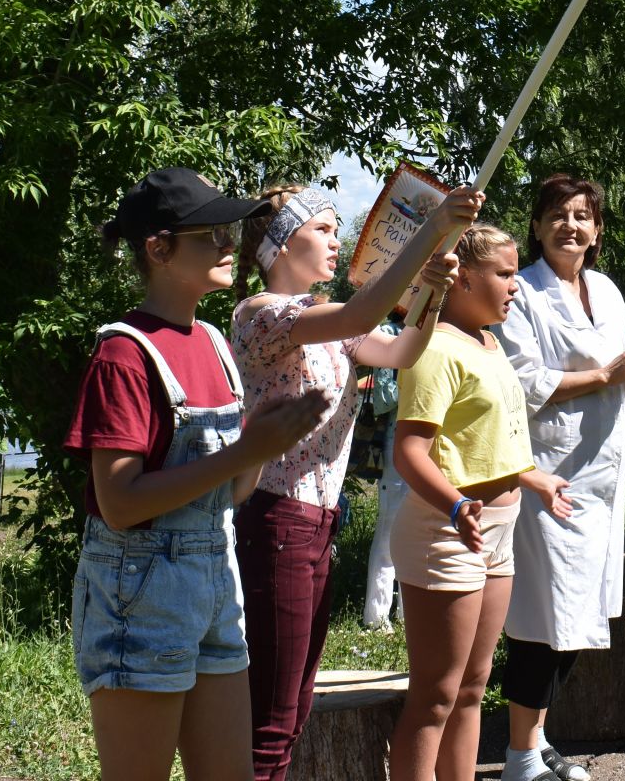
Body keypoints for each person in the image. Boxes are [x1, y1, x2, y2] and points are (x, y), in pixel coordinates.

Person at [66, 169, 329, 781]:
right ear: (158, 248)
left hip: (217, 581)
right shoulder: (123, 354)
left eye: (229, 232)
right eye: (210, 235)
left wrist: (264, 443)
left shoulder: (213, 342)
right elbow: (122, 502)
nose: (229, 246)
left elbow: (230, 495)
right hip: (142, 594)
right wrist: (244, 451)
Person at [231, 183, 482, 781]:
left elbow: (401, 352)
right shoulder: (262, 314)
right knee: (270, 714)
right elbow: (361, 313)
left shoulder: (325, 324)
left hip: (317, 522)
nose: (336, 239)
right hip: (275, 521)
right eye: (322, 228)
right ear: (278, 245)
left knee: (292, 710)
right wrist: (432, 230)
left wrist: (430, 293)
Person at [388, 225, 574, 781]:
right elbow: (410, 451)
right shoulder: (435, 347)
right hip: (448, 531)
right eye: (505, 274)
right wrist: (454, 507)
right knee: (435, 696)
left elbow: (482, 439)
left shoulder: (488, 341)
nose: (515, 286)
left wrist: (531, 478)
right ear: (463, 277)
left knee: (472, 686)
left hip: (496, 527)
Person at [497, 176, 625, 781]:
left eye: (582, 216)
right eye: (557, 215)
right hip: (549, 475)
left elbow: (622, 365)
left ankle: (536, 742)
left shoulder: (608, 291)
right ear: (537, 227)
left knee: (578, 618)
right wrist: (608, 373)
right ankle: (518, 755)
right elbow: (520, 384)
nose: (571, 226)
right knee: (543, 620)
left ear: (597, 231)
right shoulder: (522, 294)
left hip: (603, 474)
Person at [360, 366, 406, 632]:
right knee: (389, 530)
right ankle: (376, 618)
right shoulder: (390, 335)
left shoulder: (437, 335)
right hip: (396, 445)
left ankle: (407, 615)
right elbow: (383, 400)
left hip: (430, 443)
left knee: (418, 533)